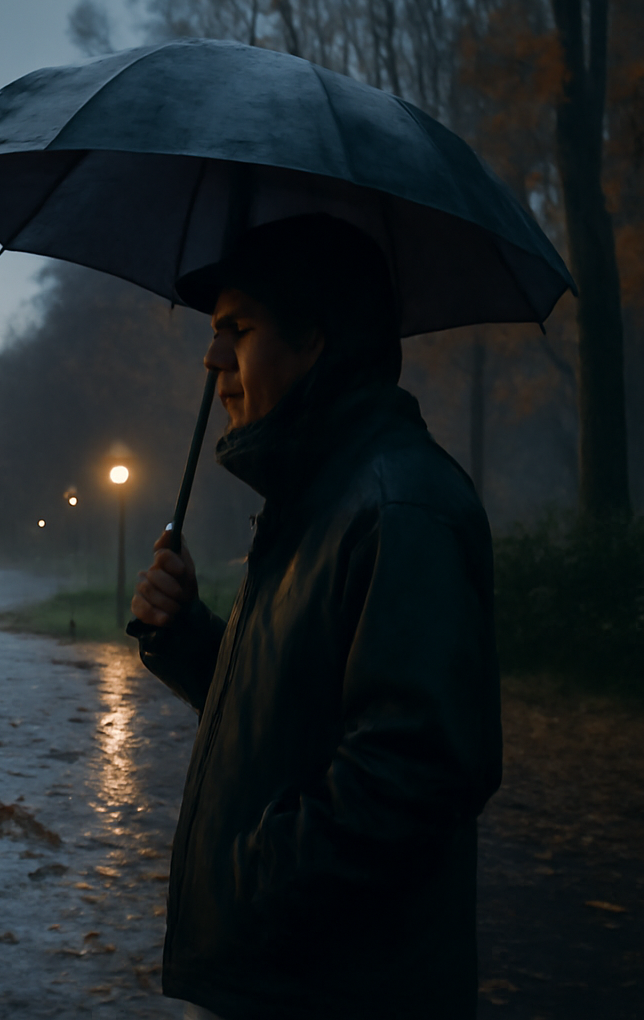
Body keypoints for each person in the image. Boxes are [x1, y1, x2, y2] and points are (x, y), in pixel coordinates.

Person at [129, 214, 502, 1020]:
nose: (211, 357)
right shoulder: (314, 501)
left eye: (238, 328)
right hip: (283, 977)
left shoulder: (399, 507)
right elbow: (298, 713)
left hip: (332, 988)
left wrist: (256, 883)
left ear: (316, 340)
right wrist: (187, 637)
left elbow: (412, 774)